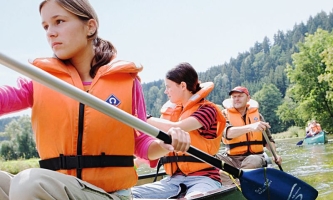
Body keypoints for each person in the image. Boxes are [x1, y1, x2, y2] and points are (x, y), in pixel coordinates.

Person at [0, 1, 191, 199]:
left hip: (111, 195)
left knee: (27, 183)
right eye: (46, 26)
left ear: (90, 27)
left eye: (59, 21)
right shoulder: (41, 80)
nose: (50, 32)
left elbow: (141, 142)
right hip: (61, 190)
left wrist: (166, 144)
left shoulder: (127, 82)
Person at [131, 63, 226, 199]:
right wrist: (134, 164)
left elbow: (178, 128)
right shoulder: (172, 113)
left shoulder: (207, 110)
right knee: (131, 195)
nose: (166, 91)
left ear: (182, 86)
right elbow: (160, 146)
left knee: (194, 198)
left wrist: (144, 118)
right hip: (173, 180)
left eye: (168, 87)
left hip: (204, 178)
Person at [216, 86, 282, 185]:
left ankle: (237, 182)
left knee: (253, 160)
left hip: (254, 156)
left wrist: (275, 155)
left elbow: (268, 140)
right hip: (232, 159)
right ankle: (234, 183)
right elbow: (227, 133)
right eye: (234, 97)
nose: (236, 99)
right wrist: (251, 127)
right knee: (210, 158)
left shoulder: (258, 116)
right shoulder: (224, 115)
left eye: (240, 96)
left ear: (248, 98)